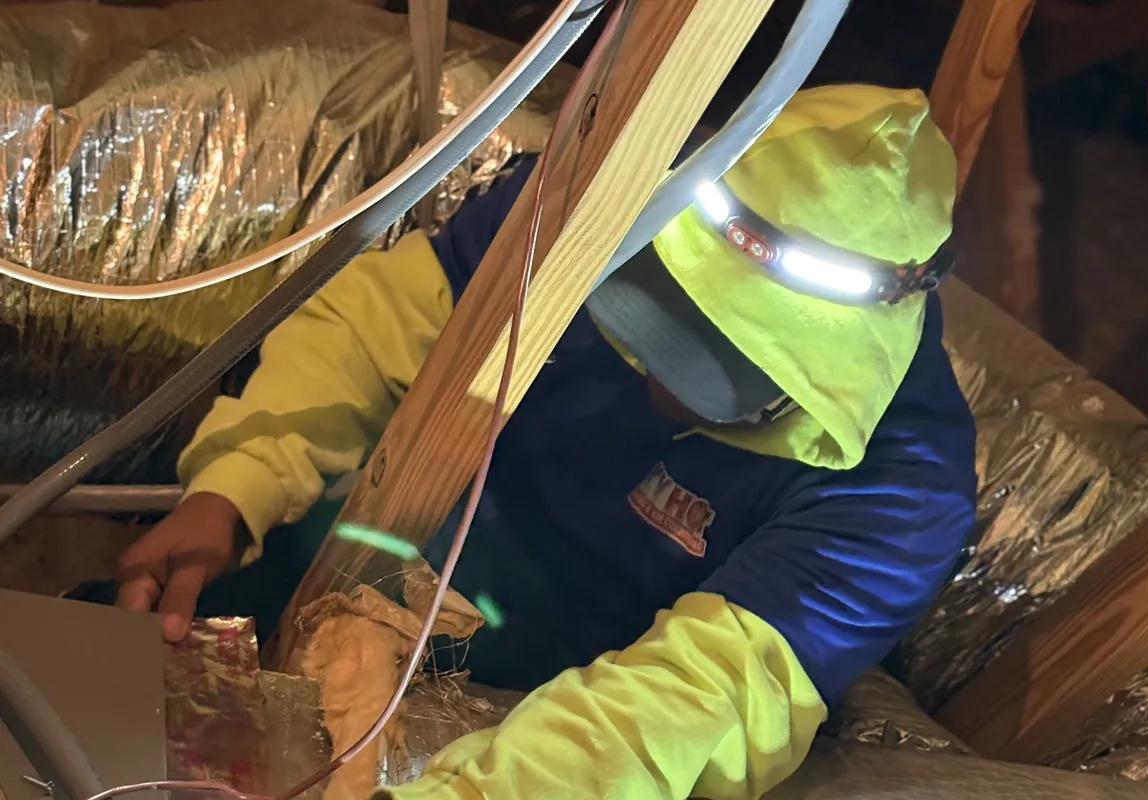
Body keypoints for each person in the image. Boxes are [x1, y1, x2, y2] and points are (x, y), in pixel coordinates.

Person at [112, 84, 977, 799]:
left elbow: (681, 707)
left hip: (564, 695)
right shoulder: (580, 212)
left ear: (821, 376)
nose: (654, 377)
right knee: (101, 683)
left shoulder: (896, 499)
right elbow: (378, 328)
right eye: (653, 312)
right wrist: (237, 485)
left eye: (714, 368)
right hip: (393, 556)